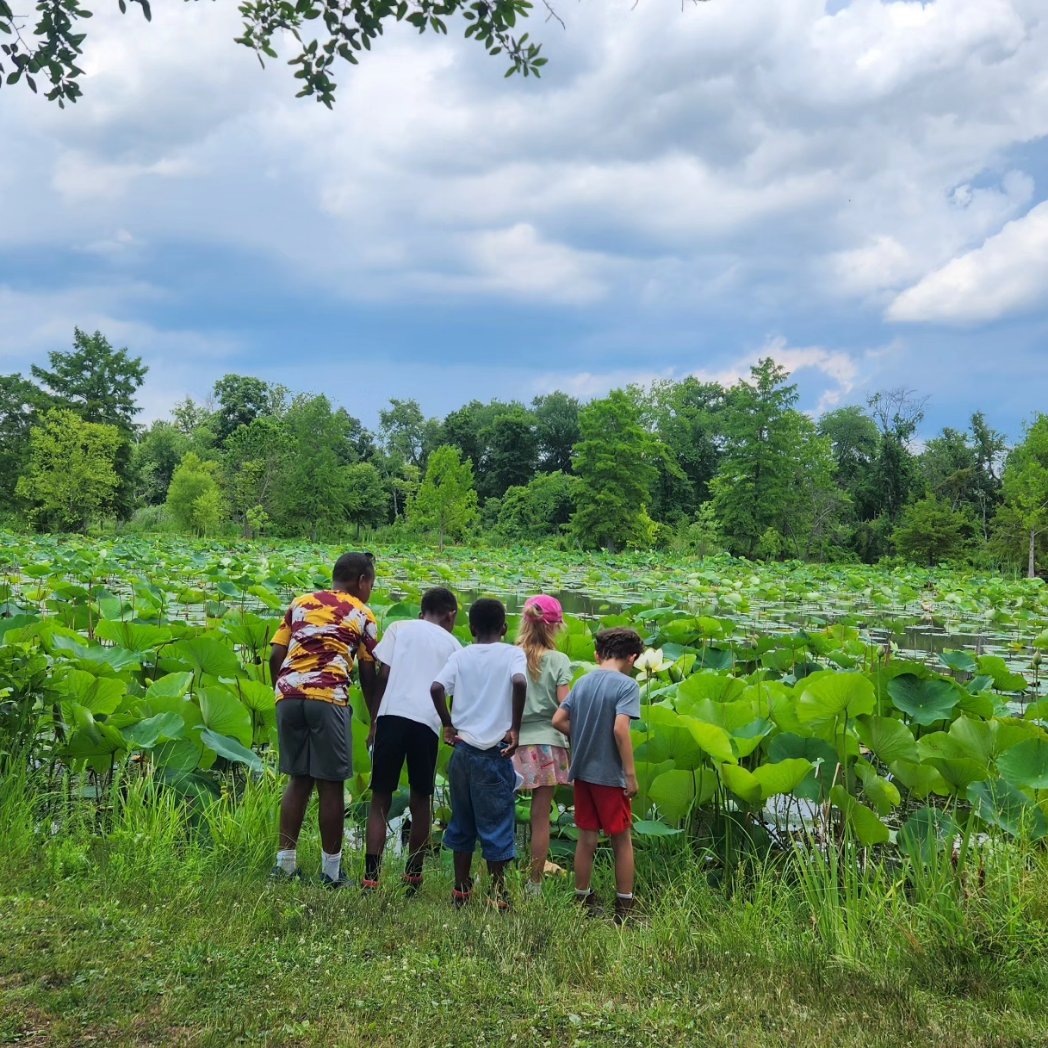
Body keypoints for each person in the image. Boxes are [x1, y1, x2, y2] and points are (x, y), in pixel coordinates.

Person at [269, 551, 378, 887]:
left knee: (298, 779)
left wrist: (282, 689)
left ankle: (284, 865)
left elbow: (275, 653)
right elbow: (369, 670)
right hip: (328, 698)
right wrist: (375, 718)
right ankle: (331, 873)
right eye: (371, 583)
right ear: (361, 581)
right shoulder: (362, 612)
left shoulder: (300, 602)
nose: (370, 589)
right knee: (331, 786)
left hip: (288, 696)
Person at [362, 586, 462, 894]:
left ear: (423, 610)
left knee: (380, 799)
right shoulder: (454, 644)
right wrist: (450, 725)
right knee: (421, 801)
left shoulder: (398, 627)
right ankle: (413, 878)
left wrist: (374, 719)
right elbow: (453, 693)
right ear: (451, 615)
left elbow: (382, 674)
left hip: (391, 718)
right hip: (427, 725)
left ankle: (371, 879)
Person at [430, 598, 527, 910]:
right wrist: (515, 726)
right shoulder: (513, 653)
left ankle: (461, 890)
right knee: (497, 823)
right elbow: (519, 680)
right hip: (494, 755)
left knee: (462, 821)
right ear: (504, 628)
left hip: (463, 753)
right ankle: (498, 894)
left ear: (471, 628)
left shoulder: (462, 655)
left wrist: (447, 724)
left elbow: (435, 688)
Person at [551, 627, 643, 924]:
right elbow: (620, 730)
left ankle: (583, 899)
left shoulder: (584, 682)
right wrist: (630, 774)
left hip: (583, 773)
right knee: (621, 840)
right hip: (609, 775)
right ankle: (624, 908)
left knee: (586, 838)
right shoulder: (627, 686)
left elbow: (558, 720)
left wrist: (581, 737)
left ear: (597, 655)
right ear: (632, 657)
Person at [512, 594, 573, 894]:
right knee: (541, 819)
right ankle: (534, 884)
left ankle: (494, 876)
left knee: (499, 811)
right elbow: (565, 705)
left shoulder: (510, 655)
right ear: (555, 627)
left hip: (514, 743)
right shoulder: (559, 661)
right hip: (549, 745)